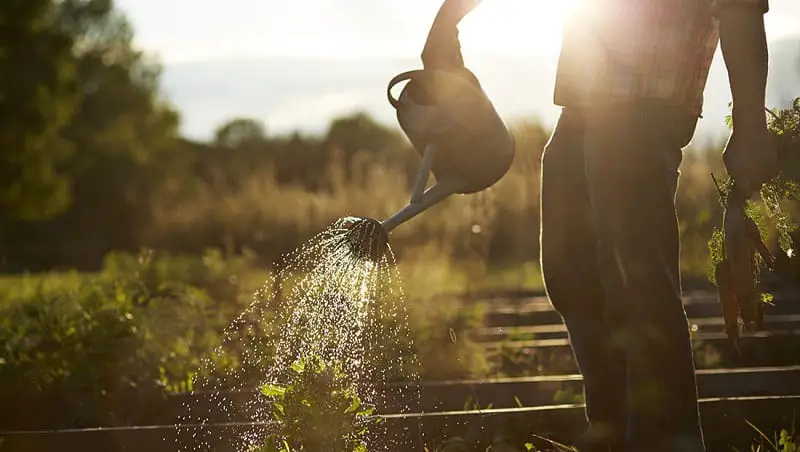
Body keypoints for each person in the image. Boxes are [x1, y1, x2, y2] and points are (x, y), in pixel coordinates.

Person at [539, 0, 778, 451]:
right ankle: (613, 431)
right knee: (571, 274)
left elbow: (741, 7)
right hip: (584, 100)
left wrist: (750, 125)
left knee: (637, 283)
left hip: (645, 104)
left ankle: (666, 439)